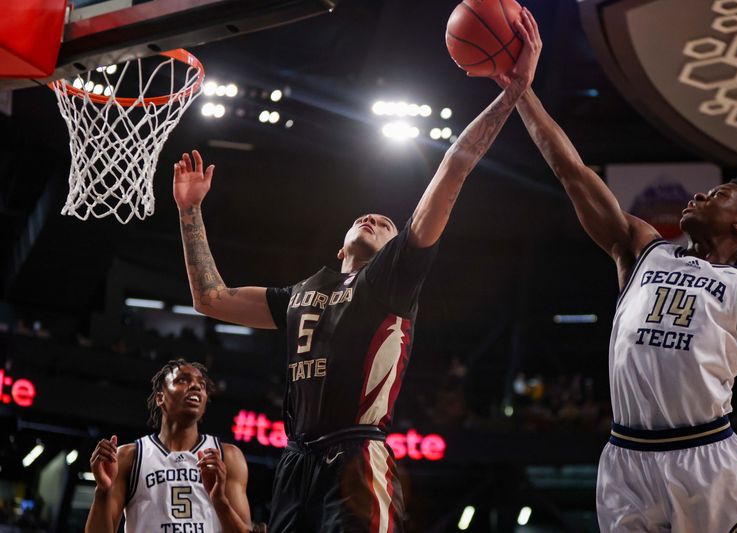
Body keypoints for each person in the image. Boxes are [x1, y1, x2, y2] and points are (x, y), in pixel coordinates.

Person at [172, 10, 542, 532]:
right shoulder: (302, 291)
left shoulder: (392, 278)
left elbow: (455, 164)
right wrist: (190, 210)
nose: (375, 217)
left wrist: (513, 93)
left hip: (355, 454)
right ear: (341, 241)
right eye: (366, 217)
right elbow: (210, 298)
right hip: (294, 460)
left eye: (388, 223)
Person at [498, 10, 737, 532]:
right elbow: (571, 172)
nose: (702, 194)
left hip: (703, 458)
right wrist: (521, 91)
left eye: (719, 194)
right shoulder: (642, 249)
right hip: (626, 458)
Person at [85, 359, 254, 533]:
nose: (196, 386)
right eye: (182, 380)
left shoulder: (228, 456)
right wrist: (102, 491)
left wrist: (220, 501)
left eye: (201, 385)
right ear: (160, 397)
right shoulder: (129, 457)